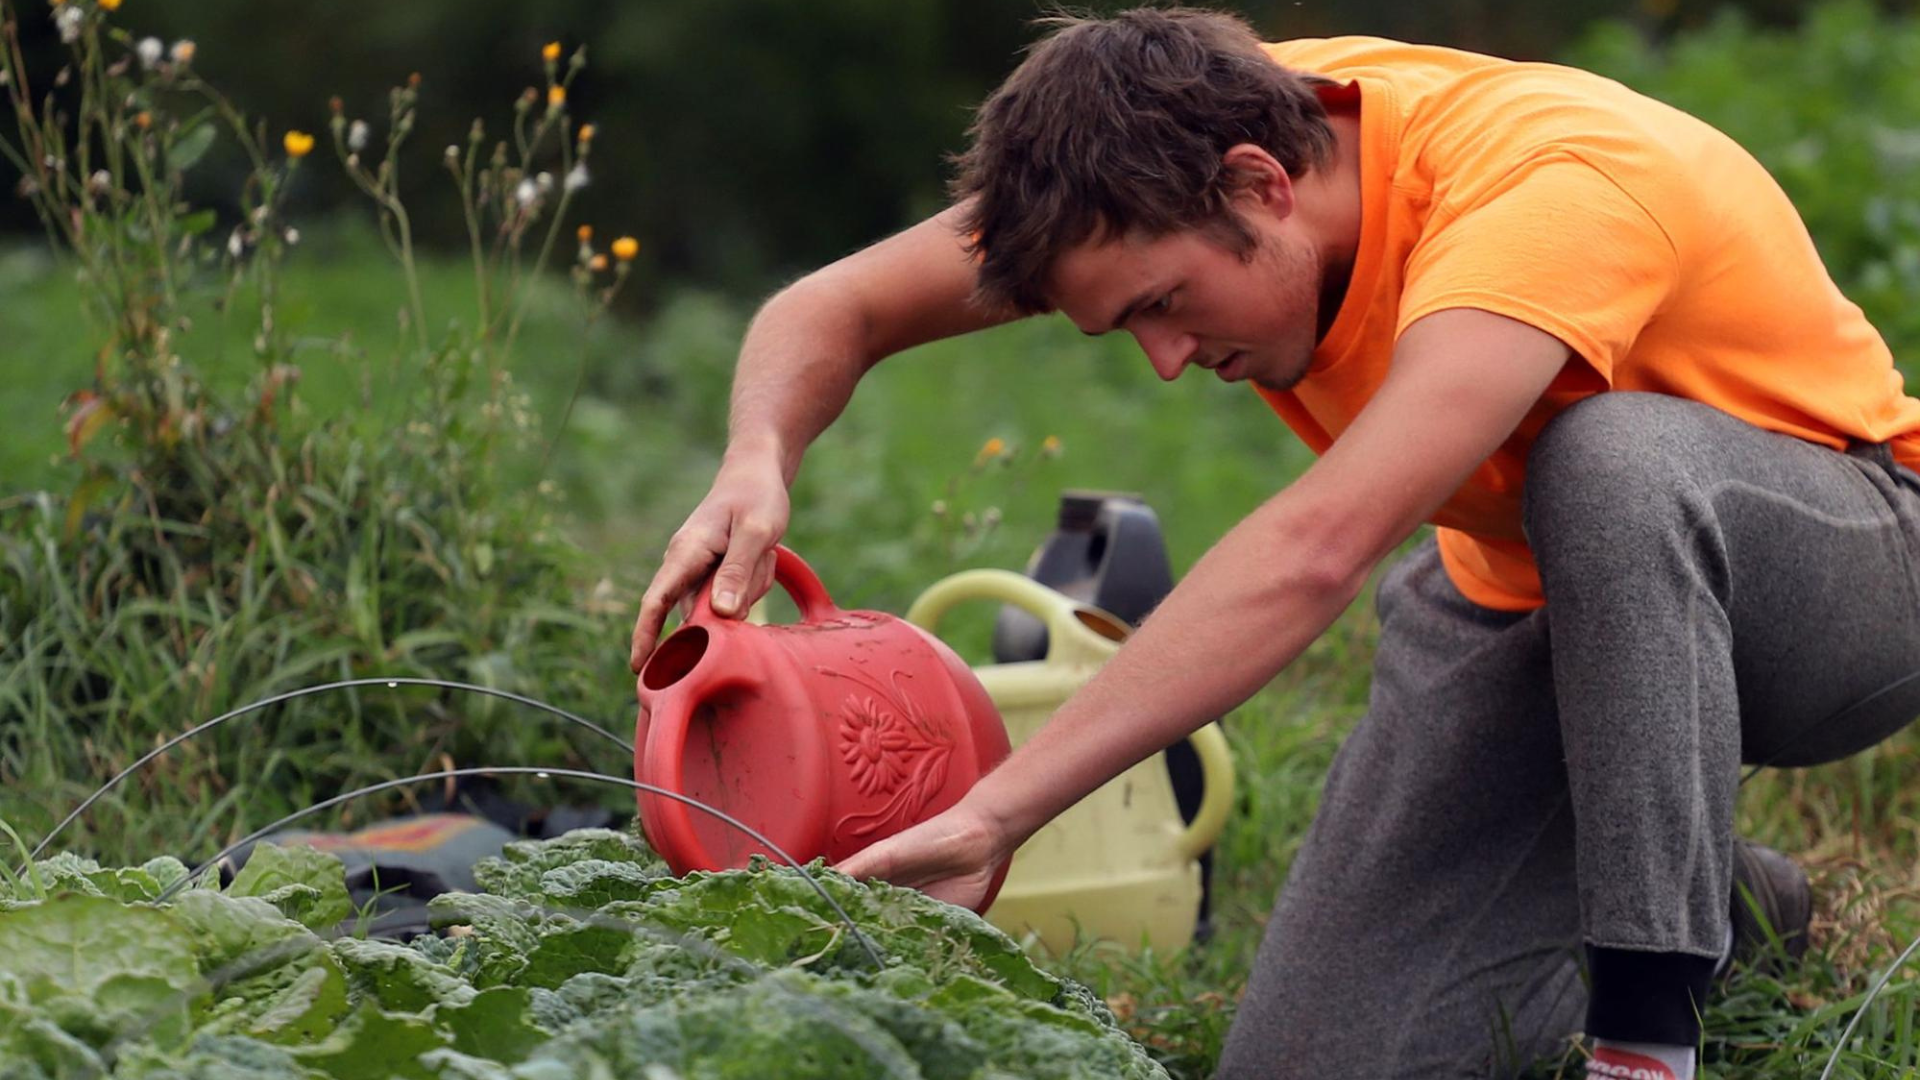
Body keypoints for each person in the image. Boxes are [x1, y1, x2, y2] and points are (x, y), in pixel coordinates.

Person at [629, 9, 1920, 1078]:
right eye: (1121, 331)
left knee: (1612, 460)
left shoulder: (1551, 186)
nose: (1168, 359)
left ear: (1262, 182)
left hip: (1841, 571)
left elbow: (1319, 547)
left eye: (1167, 308)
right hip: (1527, 601)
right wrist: (754, 465)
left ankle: (1647, 1036)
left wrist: (999, 812)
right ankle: (1747, 914)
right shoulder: (1143, 174)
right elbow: (832, 306)